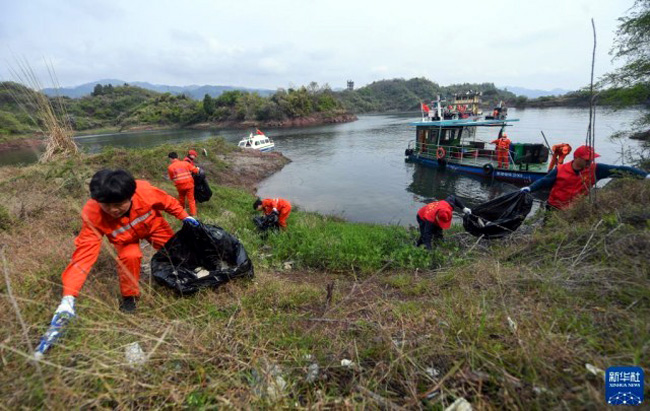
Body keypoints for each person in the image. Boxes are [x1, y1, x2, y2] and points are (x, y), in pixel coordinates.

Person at [52, 169, 199, 318]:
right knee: (130, 257)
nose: (113, 210)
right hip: (125, 240)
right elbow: (83, 256)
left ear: (130, 196)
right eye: (106, 205)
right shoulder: (93, 214)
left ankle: (190, 275)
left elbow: (168, 202)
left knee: (175, 251)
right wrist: (69, 296)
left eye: (118, 204)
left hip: (154, 226)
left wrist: (185, 217)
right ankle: (129, 297)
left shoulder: (143, 191)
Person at [521, 145, 649, 210]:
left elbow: (620, 170)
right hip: (555, 207)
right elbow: (544, 181)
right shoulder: (560, 169)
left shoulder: (596, 169)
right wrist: (529, 188)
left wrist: (645, 176)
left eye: (591, 159)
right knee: (548, 231)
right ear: (577, 158)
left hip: (577, 208)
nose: (589, 162)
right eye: (587, 159)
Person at [167, 152, 200, 216]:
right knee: (191, 200)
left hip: (180, 185)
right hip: (189, 184)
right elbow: (195, 171)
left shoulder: (170, 167)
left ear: (170, 159)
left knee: (181, 198)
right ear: (177, 157)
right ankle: (193, 214)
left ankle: (182, 212)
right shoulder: (185, 163)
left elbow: (171, 178)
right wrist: (197, 169)